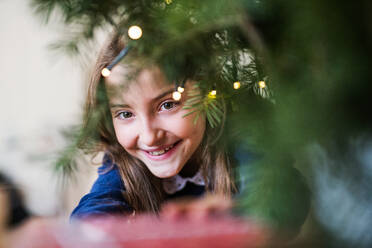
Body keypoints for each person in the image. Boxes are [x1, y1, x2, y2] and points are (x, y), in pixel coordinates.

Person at [71, 33, 237, 219]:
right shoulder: (124, 161)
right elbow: (94, 210)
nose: (149, 137)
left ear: (208, 95)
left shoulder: (243, 141)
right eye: (125, 114)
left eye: (168, 105)